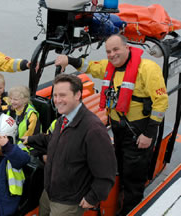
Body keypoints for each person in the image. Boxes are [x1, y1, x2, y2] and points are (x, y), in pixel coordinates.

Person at [55, 34, 169, 215]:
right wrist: (69, 59)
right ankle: (117, 199)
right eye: (108, 51)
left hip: (138, 131)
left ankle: (131, 210)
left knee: (133, 178)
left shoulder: (147, 69)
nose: (112, 54)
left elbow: (161, 102)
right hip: (118, 129)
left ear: (126, 48)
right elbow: (89, 67)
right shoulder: (110, 67)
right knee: (119, 168)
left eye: (116, 50)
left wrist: (148, 134)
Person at [24, 74, 117, 216]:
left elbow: (106, 171)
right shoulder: (63, 119)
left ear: (78, 94)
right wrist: (30, 140)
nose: (57, 100)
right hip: (49, 193)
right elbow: (53, 140)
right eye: (55, 95)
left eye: (62, 95)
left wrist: (93, 197)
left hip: (68, 202)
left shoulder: (93, 130)